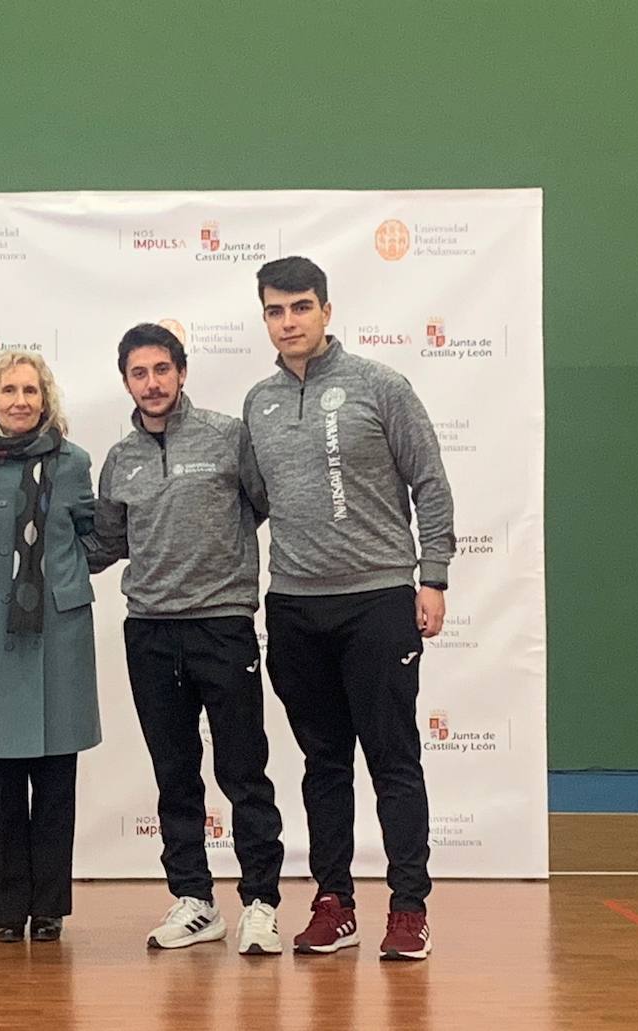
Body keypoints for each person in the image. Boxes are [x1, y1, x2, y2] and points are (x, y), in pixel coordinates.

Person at [244, 255, 455, 961]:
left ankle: (409, 906)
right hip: (296, 608)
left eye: (300, 306)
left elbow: (430, 483)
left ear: (327, 310)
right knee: (323, 762)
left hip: (378, 601)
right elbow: (252, 498)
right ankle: (334, 902)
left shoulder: (380, 386)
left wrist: (434, 577)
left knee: (393, 759)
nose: (288, 321)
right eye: (275, 310)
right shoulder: (259, 403)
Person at [88, 323, 285, 955]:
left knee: (243, 769)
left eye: (162, 370)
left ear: (182, 372)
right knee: (175, 774)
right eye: (139, 373)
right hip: (148, 631)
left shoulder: (229, 437)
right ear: (126, 381)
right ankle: (196, 901)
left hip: (223, 625)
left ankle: (260, 902)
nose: (152, 383)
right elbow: (109, 543)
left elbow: (264, 504)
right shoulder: (120, 459)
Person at [0, 351, 100, 944]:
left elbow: (95, 535)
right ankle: (6, 910)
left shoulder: (75, 461)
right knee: (1, 780)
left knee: (58, 777)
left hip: (59, 635)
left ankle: (50, 906)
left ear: (45, 398)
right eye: (8, 389)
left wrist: (66, 583)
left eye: (31, 390)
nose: (20, 400)